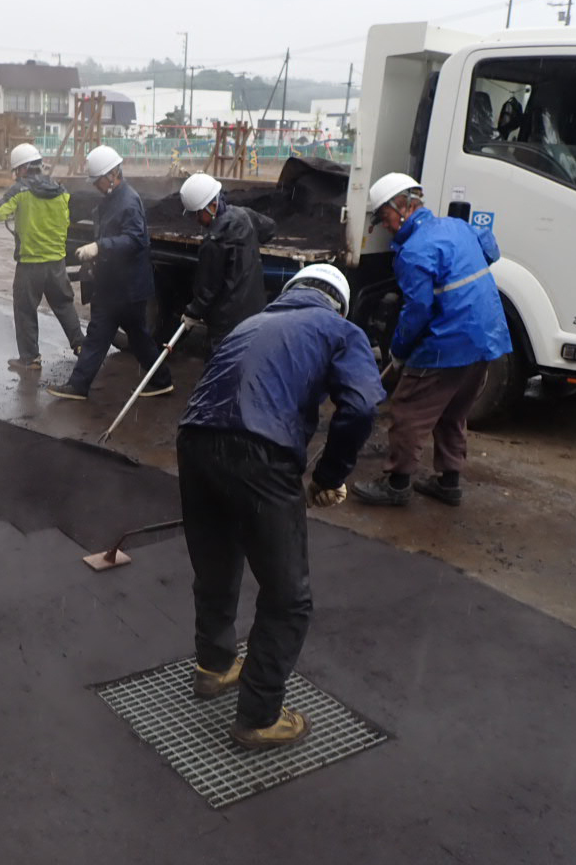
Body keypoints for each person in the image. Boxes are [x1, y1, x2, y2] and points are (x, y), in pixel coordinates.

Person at [176, 264, 384, 749]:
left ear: (291, 291)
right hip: (260, 452)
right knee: (288, 597)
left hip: (194, 441)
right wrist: (329, 477)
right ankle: (259, 717)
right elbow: (360, 407)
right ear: (339, 302)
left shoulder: (252, 322)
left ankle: (213, 667)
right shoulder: (340, 328)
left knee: (216, 564)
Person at [352, 173, 511, 507]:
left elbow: (418, 311)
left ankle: (396, 484)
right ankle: (449, 480)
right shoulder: (458, 227)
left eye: (386, 216)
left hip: (449, 343)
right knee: (453, 410)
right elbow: (491, 249)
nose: (386, 225)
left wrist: (398, 351)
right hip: (487, 339)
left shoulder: (413, 253)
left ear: (406, 206)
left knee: (408, 409)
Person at [46, 145, 172, 400]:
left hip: (127, 287)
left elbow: (137, 240)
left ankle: (160, 380)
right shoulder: (112, 200)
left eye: (98, 181)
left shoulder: (128, 201)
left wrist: (99, 247)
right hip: (114, 284)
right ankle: (81, 385)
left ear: (113, 174)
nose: (96, 186)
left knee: (133, 338)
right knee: (102, 336)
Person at [0, 143, 83, 370]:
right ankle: (81, 348)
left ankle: (30, 359)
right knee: (64, 306)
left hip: (30, 265)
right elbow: (66, 221)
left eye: (16, 170)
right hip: (57, 262)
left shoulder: (19, 191)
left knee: (25, 310)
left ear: (23, 169)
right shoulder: (61, 190)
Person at [177, 172, 275, 349]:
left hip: (226, 321)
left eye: (198, 214)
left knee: (219, 367)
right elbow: (270, 229)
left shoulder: (213, 242)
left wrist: (192, 312)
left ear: (212, 206)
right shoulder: (246, 215)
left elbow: (207, 288)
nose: (197, 220)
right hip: (254, 311)